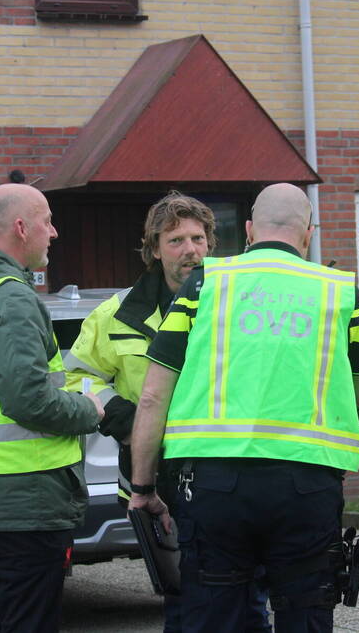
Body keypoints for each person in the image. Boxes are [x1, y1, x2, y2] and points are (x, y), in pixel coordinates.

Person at [129, 182, 359, 632]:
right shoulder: (341, 292)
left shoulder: (205, 283)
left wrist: (144, 487)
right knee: (304, 612)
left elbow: (152, 396)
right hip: (307, 485)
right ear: (309, 232)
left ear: (248, 230)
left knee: (214, 614)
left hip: (214, 486)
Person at [64, 191, 271, 633]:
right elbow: (78, 378)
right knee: (185, 596)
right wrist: (129, 422)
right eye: (175, 240)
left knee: (249, 597)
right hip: (156, 478)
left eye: (198, 238)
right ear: (154, 249)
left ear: (211, 243)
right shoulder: (114, 315)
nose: (190, 250)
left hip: (233, 473)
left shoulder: (242, 305)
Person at [0, 182, 104, 633]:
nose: (55, 231)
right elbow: (26, 397)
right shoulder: (11, 297)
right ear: (22, 228)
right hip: (24, 507)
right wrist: (89, 410)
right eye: (47, 220)